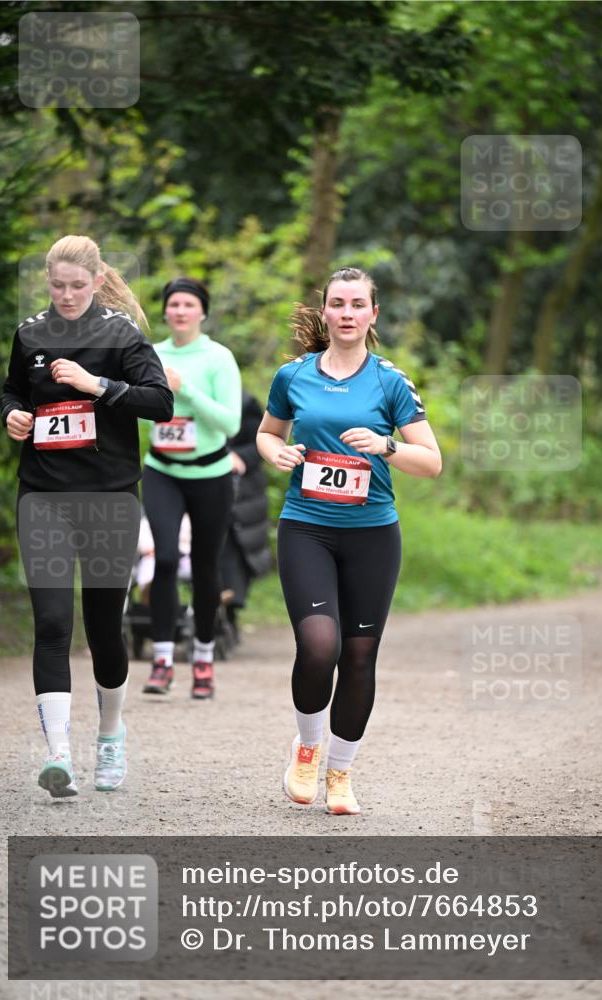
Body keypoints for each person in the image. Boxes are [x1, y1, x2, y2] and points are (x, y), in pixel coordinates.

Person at [256, 266, 442, 815]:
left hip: (372, 534)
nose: (347, 313)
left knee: (360, 657)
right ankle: (307, 750)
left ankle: (340, 774)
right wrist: (277, 453)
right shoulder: (292, 376)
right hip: (306, 526)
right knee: (319, 645)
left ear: (372, 314)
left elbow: (431, 462)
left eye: (357, 304)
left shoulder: (390, 381)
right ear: (325, 310)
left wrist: (386, 445)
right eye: (337, 303)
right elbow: (267, 433)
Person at [0, 235, 174, 798]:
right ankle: (58, 754)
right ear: (46, 282)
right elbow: (12, 391)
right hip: (44, 496)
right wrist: (14, 415)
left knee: (103, 629)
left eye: (78, 286)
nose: (68, 295)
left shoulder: (121, 334)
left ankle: (110, 734)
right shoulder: (30, 333)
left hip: (109, 498)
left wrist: (96, 385)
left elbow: (161, 403)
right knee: (52, 624)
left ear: (98, 281)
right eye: (58, 285)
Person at [141, 277, 241, 699]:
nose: (180, 311)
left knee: (204, 566)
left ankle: (202, 658)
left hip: (211, 474)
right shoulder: (151, 354)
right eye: (174, 304)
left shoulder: (218, 358)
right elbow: (138, 411)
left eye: (189, 304)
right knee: (164, 558)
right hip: (162, 470)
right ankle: (162, 660)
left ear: (203, 312)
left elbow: (230, 423)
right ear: (165, 311)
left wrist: (186, 391)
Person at [220, 391, 272, 643]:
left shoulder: (246, 403)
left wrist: (238, 457)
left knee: (235, 550)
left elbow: (262, 442)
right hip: (199, 481)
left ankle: (230, 612)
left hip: (244, 494)